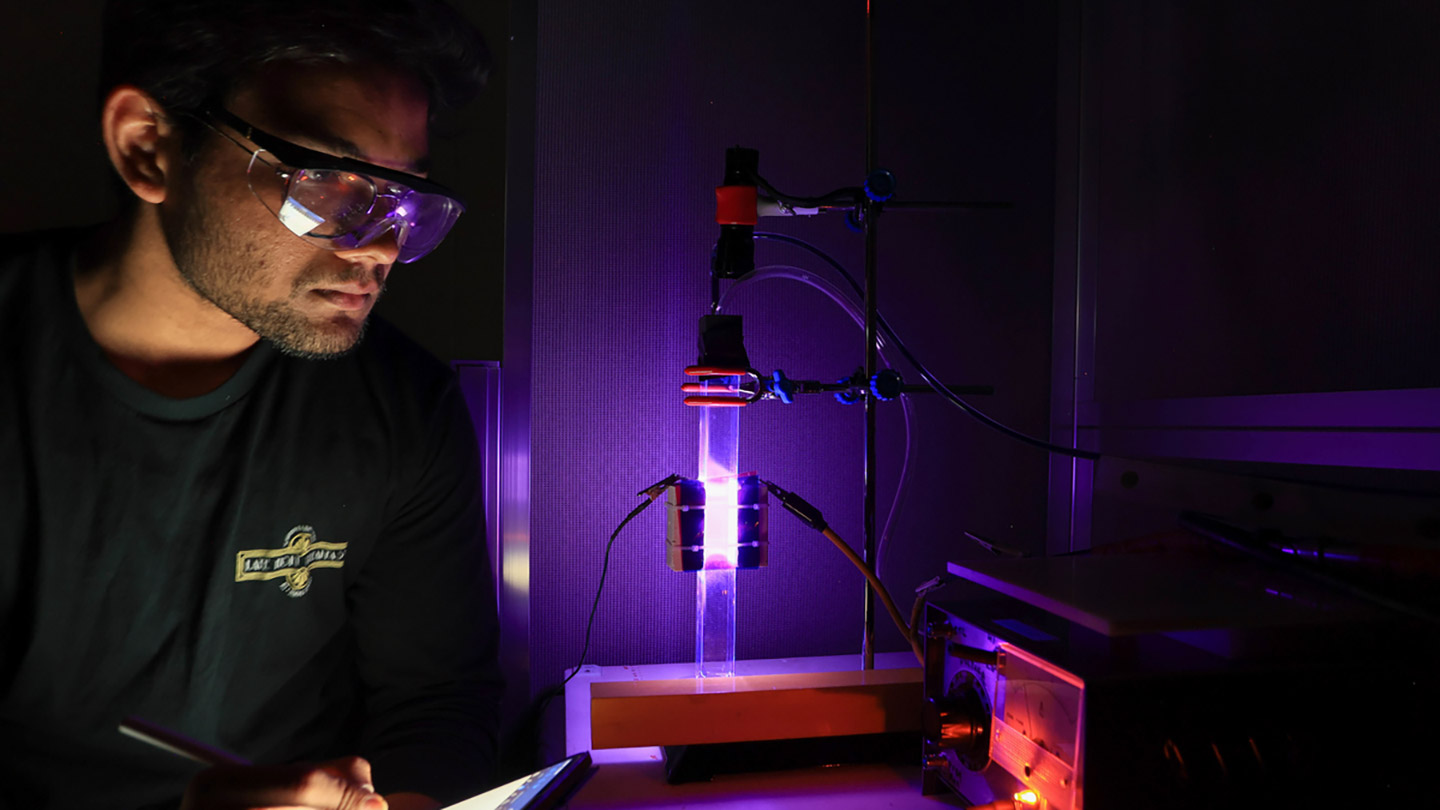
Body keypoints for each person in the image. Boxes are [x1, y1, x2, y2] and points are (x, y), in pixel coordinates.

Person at [0, 2, 502, 808]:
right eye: (330, 185)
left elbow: (438, 706)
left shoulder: (401, 409)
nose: (378, 247)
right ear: (148, 147)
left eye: (404, 201)